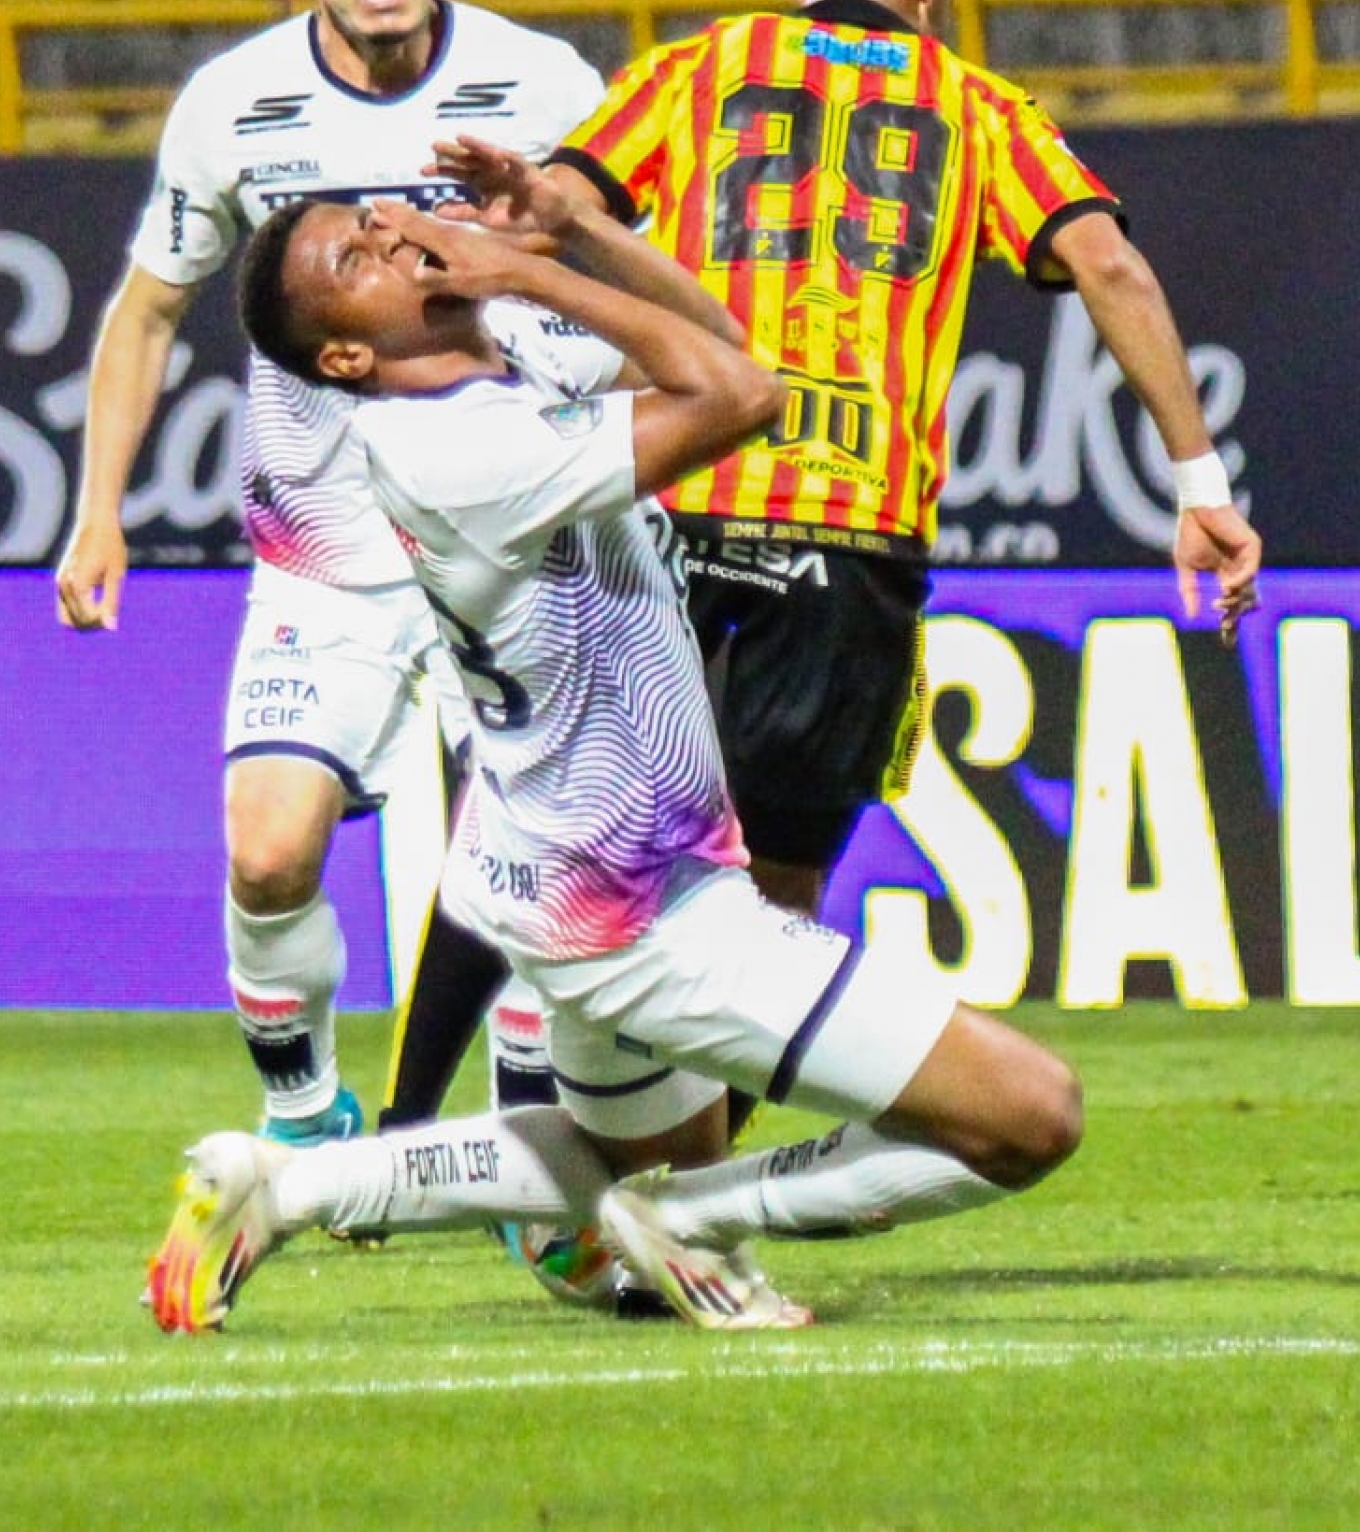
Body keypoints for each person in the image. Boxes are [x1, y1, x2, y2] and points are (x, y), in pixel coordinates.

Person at [145, 183, 1085, 1335]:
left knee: (616, 1157)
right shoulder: (451, 447)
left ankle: (288, 1188)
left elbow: (722, 343)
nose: (393, 236)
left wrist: (578, 232)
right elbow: (746, 399)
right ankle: (693, 1223)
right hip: (644, 914)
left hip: (565, 873)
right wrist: (527, 268)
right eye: (356, 258)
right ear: (345, 357)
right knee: (1031, 1116)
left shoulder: (507, 358)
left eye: (378, 219)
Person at [542, 0, 1262, 932]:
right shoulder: (978, 107)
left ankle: (535, 1043)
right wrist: (1200, 485)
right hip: (851, 534)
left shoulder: (695, 67)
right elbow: (1108, 266)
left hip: (670, 507)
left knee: (596, 867)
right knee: (777, 899)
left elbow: (549, 207)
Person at [53, 0, 606, 1146]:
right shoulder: (233, 105)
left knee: (537, 863)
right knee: (268, 851)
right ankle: (305, 1113)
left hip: (512, 549)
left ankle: (528, 1154)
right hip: (328, 560)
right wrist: (97, 513)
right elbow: (145, 312)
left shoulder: (547, 87)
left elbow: (628, 274)